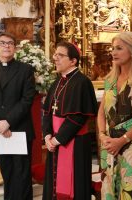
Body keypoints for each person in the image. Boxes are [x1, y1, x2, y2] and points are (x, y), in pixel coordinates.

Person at [97, 32, 132, 199]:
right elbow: (101, 112)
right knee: (109, 191)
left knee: (131, 191)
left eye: (119, 48)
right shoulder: (110, 80)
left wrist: (122, 140)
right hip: (109, 144)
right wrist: (102, 135)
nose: (113, 52)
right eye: (113, 48)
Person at [0, 32, 36, 200]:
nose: (6, 46)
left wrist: (8, 122)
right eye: (2, 43)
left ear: (15, 48)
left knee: (22, 175)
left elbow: (27, 100)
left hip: (19, 129)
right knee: (7, 172)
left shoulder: (25, 70)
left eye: (10, 43)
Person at [42, 41, 98, 200]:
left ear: (73, 61)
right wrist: (47, 136)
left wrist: (57, 140)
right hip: (54, 141)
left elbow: (79, 116)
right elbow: (47, 112)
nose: (55, 58)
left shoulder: (82, 82)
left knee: (75, 185)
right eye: (55, 55)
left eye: (60, 55)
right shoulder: (57, 81)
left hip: (75, 142)